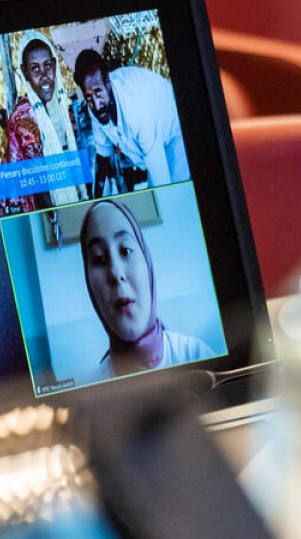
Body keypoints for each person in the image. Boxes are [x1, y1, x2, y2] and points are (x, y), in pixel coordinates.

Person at [80, 199, 213, 381]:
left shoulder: (198, 357)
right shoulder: (89, 391)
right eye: (99, 258)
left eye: (126, 251)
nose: (116, 273)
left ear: (147, 264)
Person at [73, 49, 188, 193]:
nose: (96, 104)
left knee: (174, 194)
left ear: (107, 82)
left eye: (98, 92)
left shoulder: (135, 106)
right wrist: (96, 197)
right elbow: (103, 156)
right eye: (88, 97)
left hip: (175, 133)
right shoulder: (95, 106)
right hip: (153, 144)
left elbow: (162, 179)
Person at [15, 33, 87, 206]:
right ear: (25, 72)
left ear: (54, 66)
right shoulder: (24, 117)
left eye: (47, 66)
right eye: (35, 69)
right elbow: (34, 180)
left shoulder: (62, 106)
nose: (44, 76)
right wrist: (54, 216)